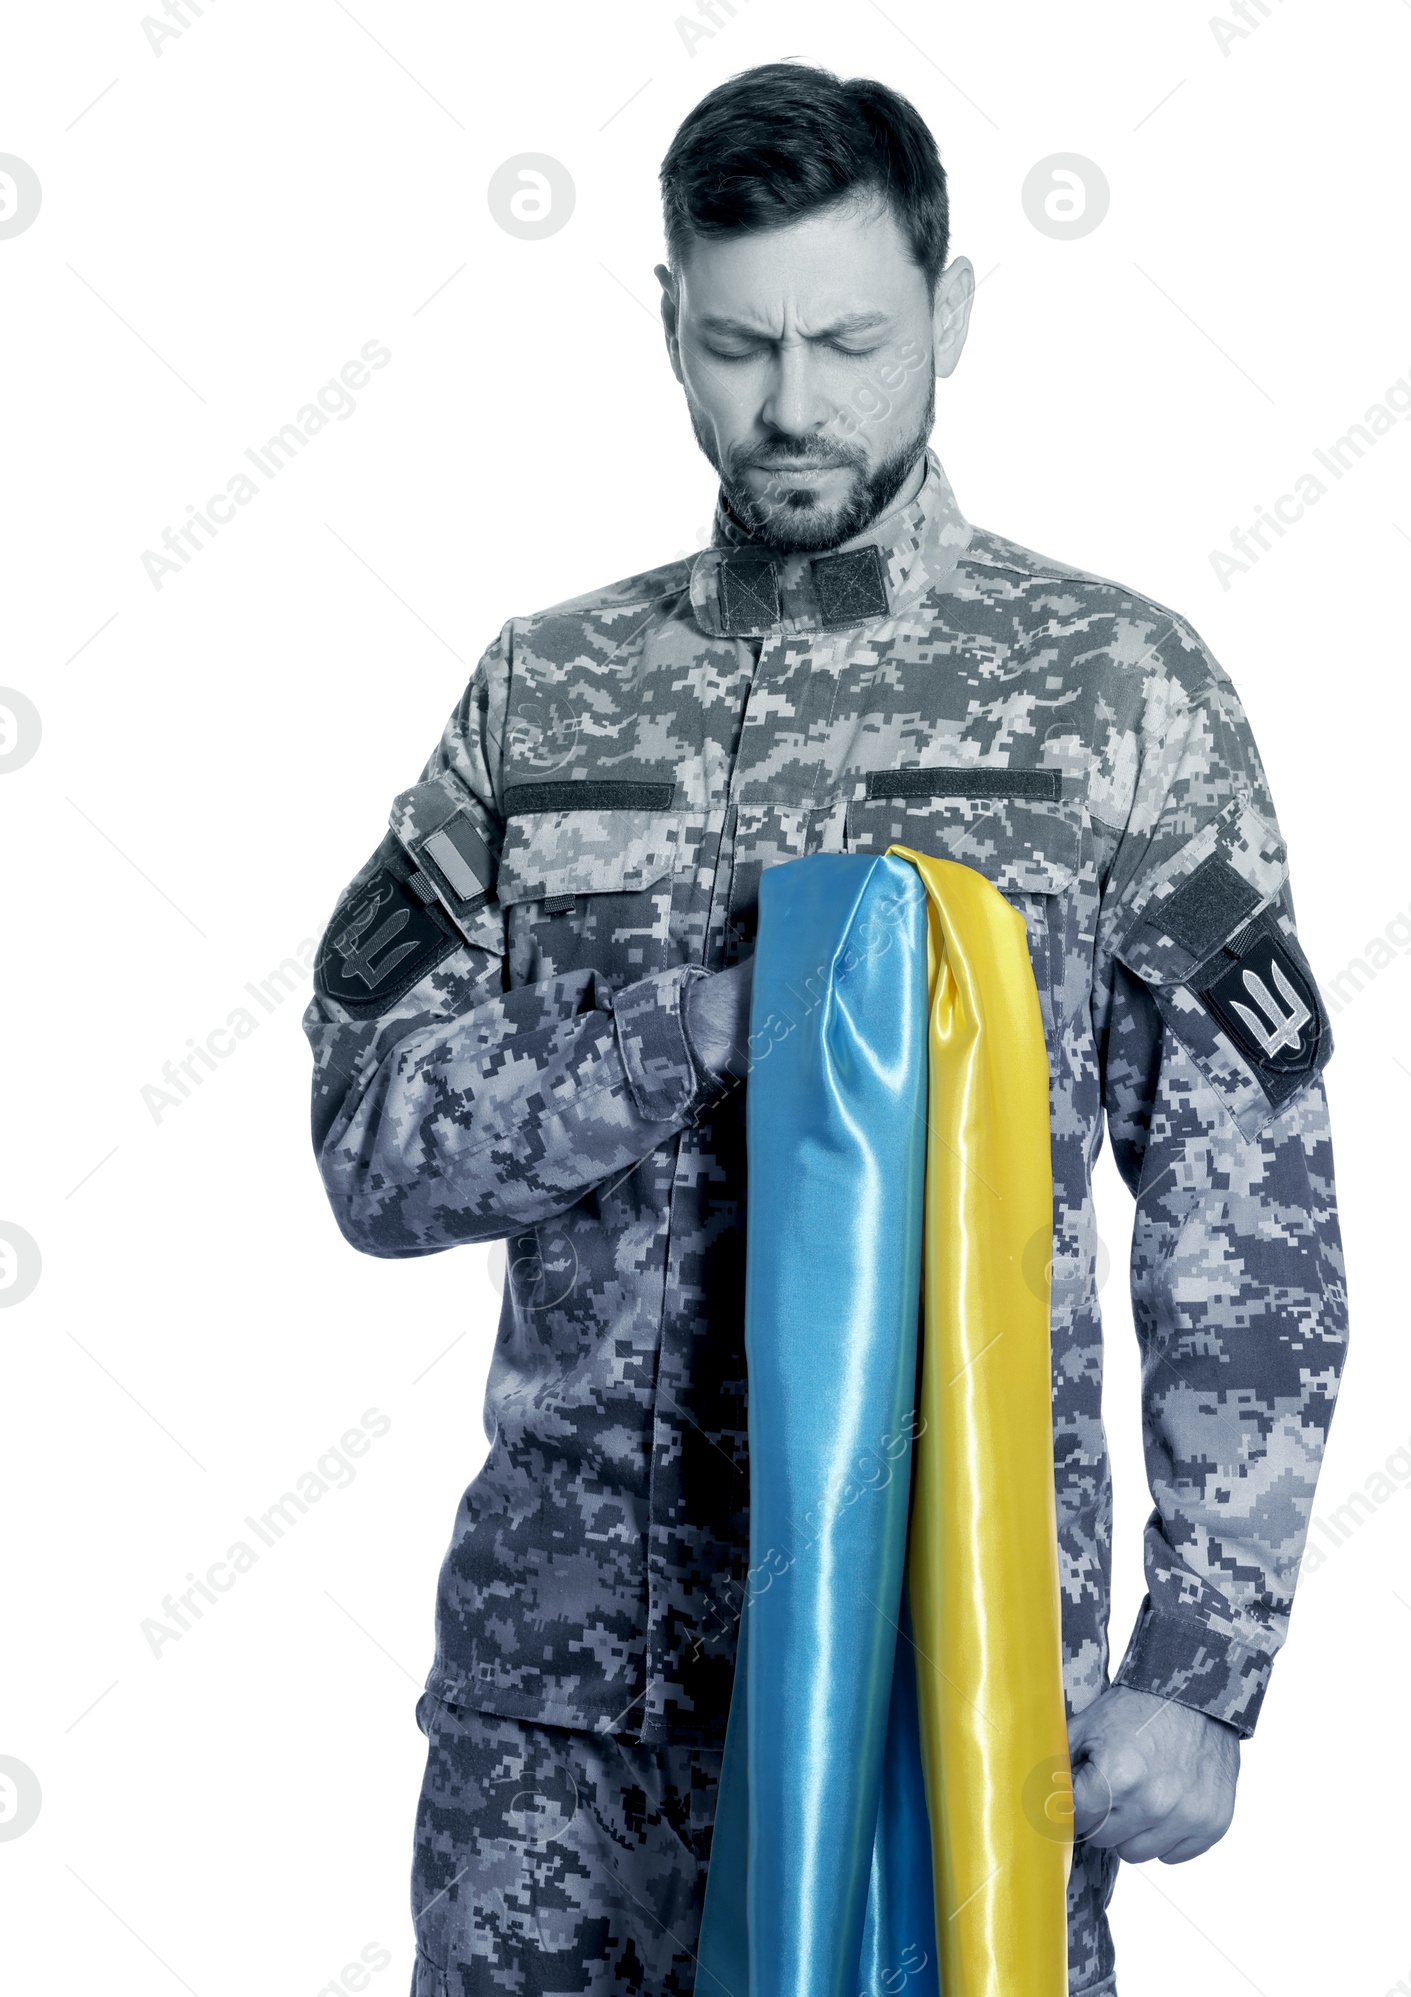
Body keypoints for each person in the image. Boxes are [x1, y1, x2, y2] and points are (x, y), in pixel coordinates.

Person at [303, 61, 1347, 1997]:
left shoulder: (1115, 695)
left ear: (949, 315)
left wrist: (1204, 1663)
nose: (789, 405)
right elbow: (373, 1143)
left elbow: (1247, 1217)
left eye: (849, 340)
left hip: (931, 1697)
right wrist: (696, 1024)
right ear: (668, 327)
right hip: (571, 1730)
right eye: (737, 344)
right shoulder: (548, 700)